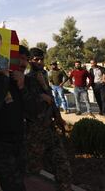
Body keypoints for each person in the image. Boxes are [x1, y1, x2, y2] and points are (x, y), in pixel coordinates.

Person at [0, 45, 42, 191]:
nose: (24, 63)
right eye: (20, 59)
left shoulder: (29, 82)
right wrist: (4, 78)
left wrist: (22, 86)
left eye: (26, 59)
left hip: (19, 140)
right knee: (14, 185)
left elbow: (35, 110)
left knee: (16, 179)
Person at [25, 47, 72, 191]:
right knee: (31, 168)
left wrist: (58, 118)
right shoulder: (28, 78)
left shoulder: (43, 75)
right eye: (36, 59)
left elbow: (50, 99)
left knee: (61, 164)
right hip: (35, 130)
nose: (39, 62)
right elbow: (27, 101)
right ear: (30, 61)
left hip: (49, 126)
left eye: (41, 59)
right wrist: (41, 95)